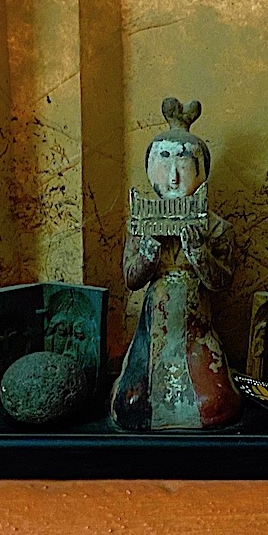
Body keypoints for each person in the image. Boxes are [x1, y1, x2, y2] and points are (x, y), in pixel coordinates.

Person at [110, 98, 242, 430]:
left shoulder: (217, 228)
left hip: (196, 329)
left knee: (213, 404)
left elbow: (222, 283)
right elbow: (131, 279)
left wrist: (198, 252)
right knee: (133, 404)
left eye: (184, 163)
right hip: (155, 329)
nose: (174, 176)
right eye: (164, 161)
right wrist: (149, 250)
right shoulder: (141, 225)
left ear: (202, 170)